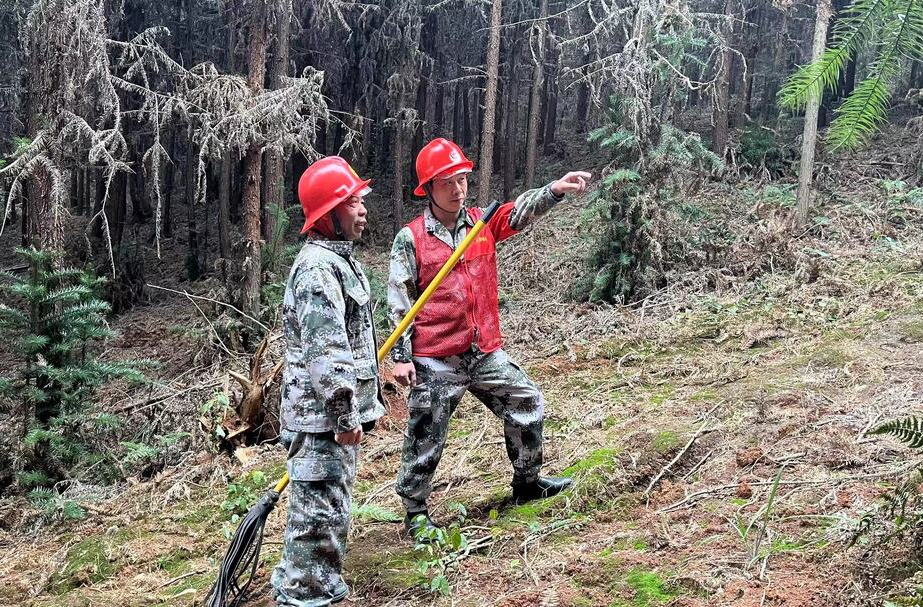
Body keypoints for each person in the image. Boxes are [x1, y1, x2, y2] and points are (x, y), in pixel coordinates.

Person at [388, 137, 591, 536]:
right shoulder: (410, 239)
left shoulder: (483, 222)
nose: (458, 188)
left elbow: (518, 212)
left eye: (462, 178)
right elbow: (399, 301)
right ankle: (415, 511)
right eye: (447, 181)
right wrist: (401, 356)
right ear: (428, 188)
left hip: (482, 351)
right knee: (427, 432)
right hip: (435, 358)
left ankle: (527, 484)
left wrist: (554, 190)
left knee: (526, 400)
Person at [271, 156, 385, 606]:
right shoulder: (319, 268)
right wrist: (342, 413)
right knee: (317, 520)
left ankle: (314, 584)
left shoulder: (337, 261)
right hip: (320, 423)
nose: (362, 210)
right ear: (328, 215)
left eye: (360, 200)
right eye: (352, 202)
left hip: (327, 422)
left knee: (329, 510)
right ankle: (305, 595)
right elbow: (327, 351)